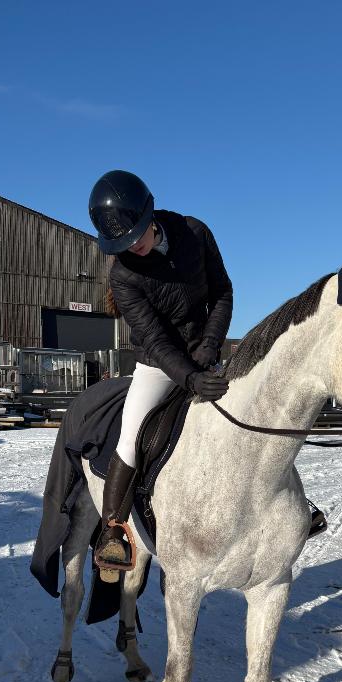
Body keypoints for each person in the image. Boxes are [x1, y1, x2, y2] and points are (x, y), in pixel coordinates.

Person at [88, 170, 232, 580]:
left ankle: (292, 506)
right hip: (158, 364)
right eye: (123, 243)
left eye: (136, 234)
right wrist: (189, 377)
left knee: (255, 413)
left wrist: (209, 345)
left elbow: (222, 291)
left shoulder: (195, 232)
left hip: (206, 350)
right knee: (131, 437)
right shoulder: (124, 275)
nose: (134, 245)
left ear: (149, 214)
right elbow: (154, 337)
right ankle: (113, 530)